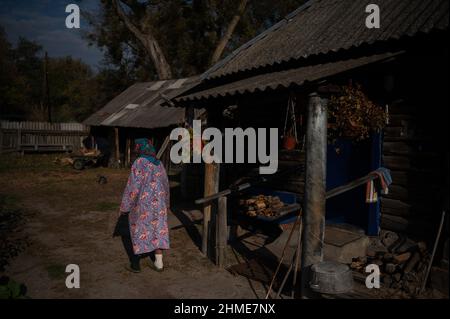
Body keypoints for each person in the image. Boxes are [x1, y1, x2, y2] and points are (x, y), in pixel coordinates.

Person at [119, 138, 170, 273]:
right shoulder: (159, 163)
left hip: (142, 204)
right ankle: (159, 263)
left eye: (136, 147)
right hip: (159, 204)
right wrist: (167, 202)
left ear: (140, 148)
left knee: (139, 230)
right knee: (157, 231)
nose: (135, 149)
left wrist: (125, 207)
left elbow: (133, 187)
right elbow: (165, 184)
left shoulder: (139, 162)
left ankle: (135, 264)